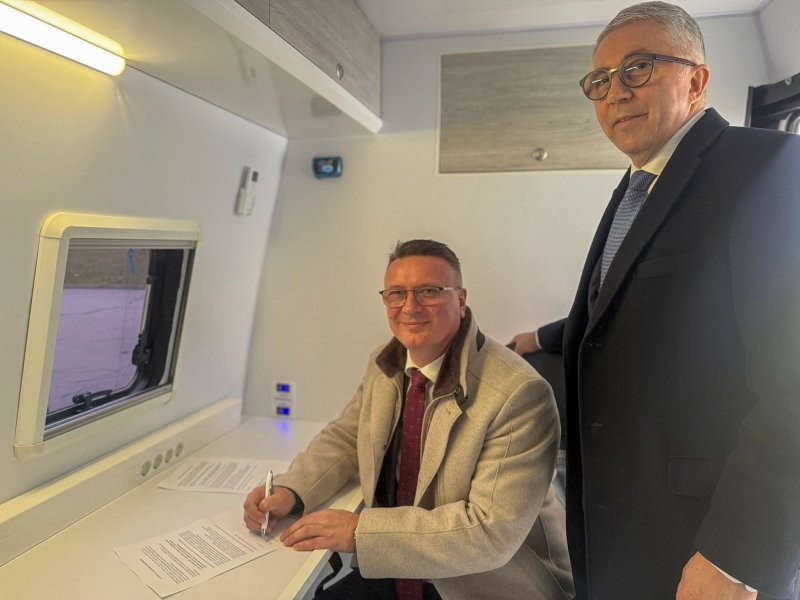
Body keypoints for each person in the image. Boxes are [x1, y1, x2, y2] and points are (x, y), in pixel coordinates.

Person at [510, 2, 800, 598]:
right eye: (599, 80)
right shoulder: (636, 186)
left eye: (638, 68)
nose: (615, 92)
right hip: (622, 526)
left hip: (702, 538)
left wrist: (736, 556)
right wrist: (543, 337)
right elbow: (634, 310)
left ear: (696, 80)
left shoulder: (767, 167)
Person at [244, 239, 574, 599]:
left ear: (461, 300)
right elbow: (347, 436)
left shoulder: (518, 394)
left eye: (429, 291)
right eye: (397, 293)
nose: (410, 306)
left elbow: (489, 533)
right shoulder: (385, 364)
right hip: (397, 566)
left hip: (484, 584)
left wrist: (359, 532)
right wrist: (291, 491)